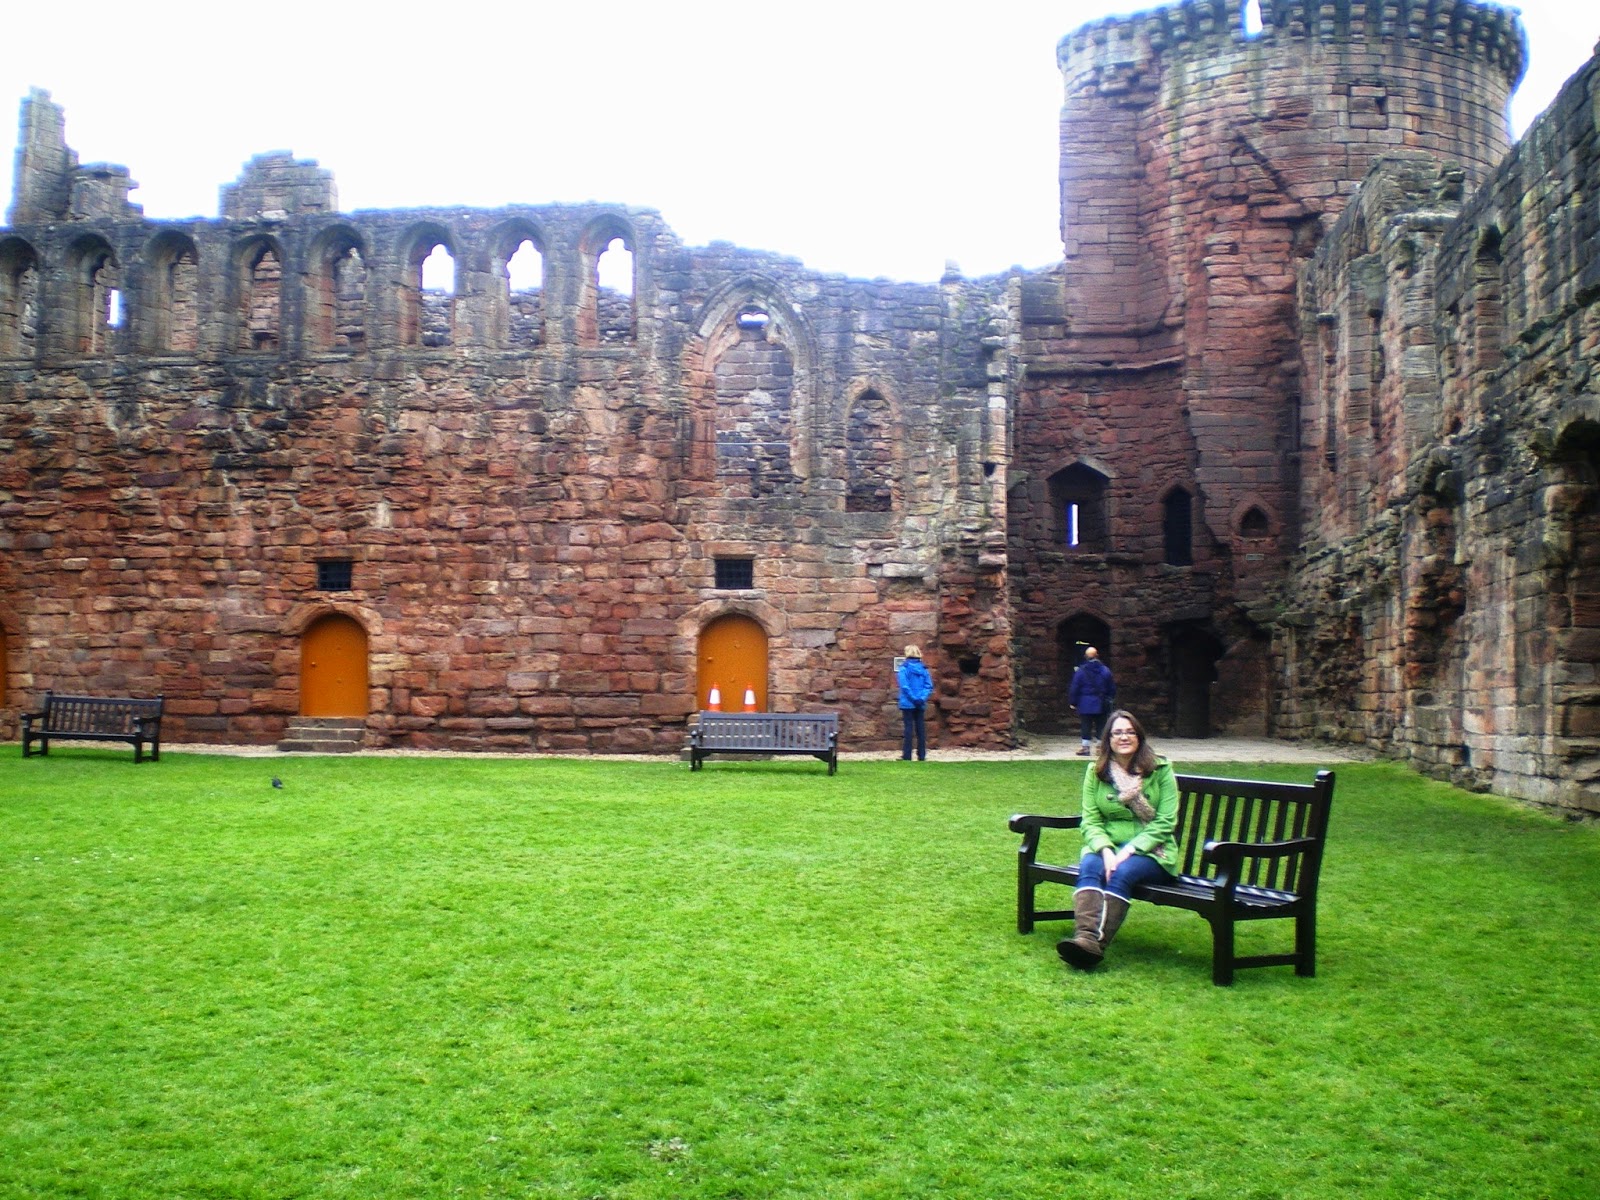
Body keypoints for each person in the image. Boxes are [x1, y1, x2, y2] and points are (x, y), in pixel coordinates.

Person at [1057, 709, 1179, 971]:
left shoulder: (1160, 770)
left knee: (1121, 873)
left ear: (1139, 736)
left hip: (1152, 852)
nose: (1124, 737)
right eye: (1117, 733)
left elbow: (1166, 822)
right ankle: (1085, 939)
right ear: (1108, 739)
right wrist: (1105, 849)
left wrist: (1130, 850)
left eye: (1129, 732)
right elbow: (1090, 820)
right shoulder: (1096, 772)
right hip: (1108, 847)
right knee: (1090, 866)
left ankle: (1095, 946)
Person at [1067, 646, 1116, 755]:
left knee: (1085, 725)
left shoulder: (1081, 671)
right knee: (1101, 724)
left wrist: (1073, 702)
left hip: (1085, 702)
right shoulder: (1105, 670)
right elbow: (1111, 687)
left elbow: (1075, 687)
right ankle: (1100, 747)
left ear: (1085, 657)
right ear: (1097, 656)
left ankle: (1085, 748)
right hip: (1101, 701)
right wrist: (1110, 698)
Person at [896, 644, 934, 761]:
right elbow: (928, 685)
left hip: (908, 703)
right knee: (920, 729)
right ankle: (921, 755)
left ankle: (907, 755)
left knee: (908, 729)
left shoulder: (904, 669)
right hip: (920, 703)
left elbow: (905, 686)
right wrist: (921, 698)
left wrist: (913, 698)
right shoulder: (923, 669)